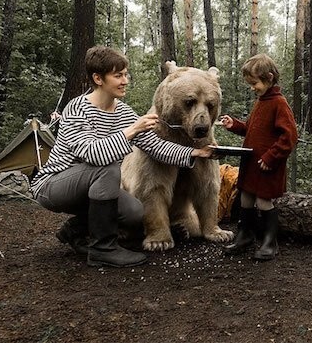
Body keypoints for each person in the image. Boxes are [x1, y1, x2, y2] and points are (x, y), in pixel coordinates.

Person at [30, 46, 215, 268]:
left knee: (135, 211)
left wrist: (194, 152)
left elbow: (155, 147)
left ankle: (76, 229)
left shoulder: (124, 112)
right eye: (118, 76)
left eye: (126, 74)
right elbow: (92, 154)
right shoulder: (77, 109)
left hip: (94, 187)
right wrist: (131, 131)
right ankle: (103, 249)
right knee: (107, 168)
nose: (125, 80)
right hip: (55, 185)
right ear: (98, 78)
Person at [219, 53, 298, 261]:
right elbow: (253, 131)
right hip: (251, 164)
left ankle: (270, 242)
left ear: (269, 77)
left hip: (267, 166)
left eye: (254, 83)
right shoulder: (261, 101)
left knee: (264, 202)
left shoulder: (279, 103)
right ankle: (245, 236)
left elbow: (289, 137)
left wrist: (271, 157)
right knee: (245, 198)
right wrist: (234, 125)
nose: (252, 87)